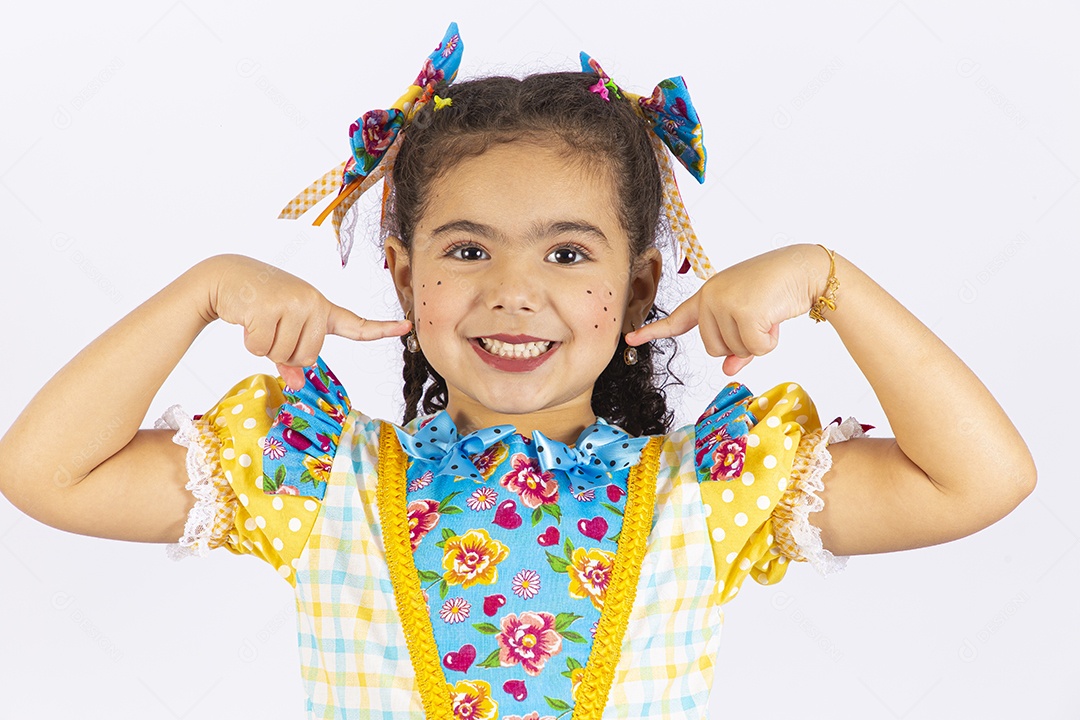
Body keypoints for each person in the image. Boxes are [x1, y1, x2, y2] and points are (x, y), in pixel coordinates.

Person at [0, 22, 1036, 720]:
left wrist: (830, 281)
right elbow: (49, 474)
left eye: (568, 254)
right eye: (466, 251)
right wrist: (203, 289)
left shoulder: (710, 492)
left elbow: (981, 480)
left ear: (640, 287)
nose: (514, 291)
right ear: (405, 279)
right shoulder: (320, 479)